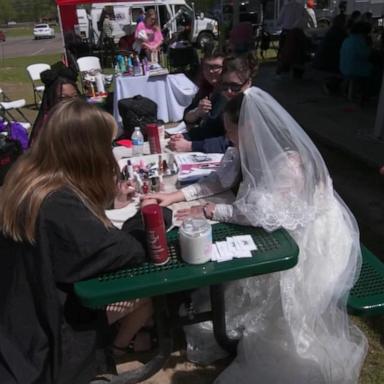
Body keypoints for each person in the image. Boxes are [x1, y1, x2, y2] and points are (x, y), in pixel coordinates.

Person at [145, 87, 368, 383]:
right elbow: (219, 179)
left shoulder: (290, 164)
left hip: (308, 240)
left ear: (248, 126)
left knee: (257, 292)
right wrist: (176, 195)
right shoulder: (248, 145)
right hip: (277, 228)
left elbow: (265, 214)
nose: (227, 137)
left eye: (229, 130)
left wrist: (212, 211)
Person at [0, 99, 162, 384]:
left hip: (17, 326)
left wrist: (112, 202)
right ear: (88, 150)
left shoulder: (27, 180)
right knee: (146, 292)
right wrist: (150, 217)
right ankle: (116, 350)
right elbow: (125, 251)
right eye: (107, 145)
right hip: (49, 338)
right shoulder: (56, 202)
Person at [170, 54, 254, 153]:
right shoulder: (214, 92)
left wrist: (191, 146)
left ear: (248, 83)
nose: (229, 91)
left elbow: (232, 143)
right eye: (225, 86)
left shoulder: (249, 107)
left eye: (235, 86)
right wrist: (184, 136)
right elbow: (211, 129)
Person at [29, 62, 81, 145]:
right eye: (63, 98)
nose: (71, 101)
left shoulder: (84, 117)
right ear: (52, 98)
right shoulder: (46, 127)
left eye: (75, 96)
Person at [183, 48, 225, 139]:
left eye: (216, 67)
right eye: (207, 66)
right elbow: (186, 116)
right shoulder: (206, 89)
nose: (210, 71)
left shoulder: (227, 93)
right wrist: (197, 112)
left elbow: (214, 128)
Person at [276, 0, 308, 78]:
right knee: (299, 53)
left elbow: (279, 21)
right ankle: (298, 71)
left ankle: (284, 67)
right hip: (298, 33)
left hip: (287, 32)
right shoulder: (301, 7)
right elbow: (305, 20)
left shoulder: (286, 7)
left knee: (284, 50)